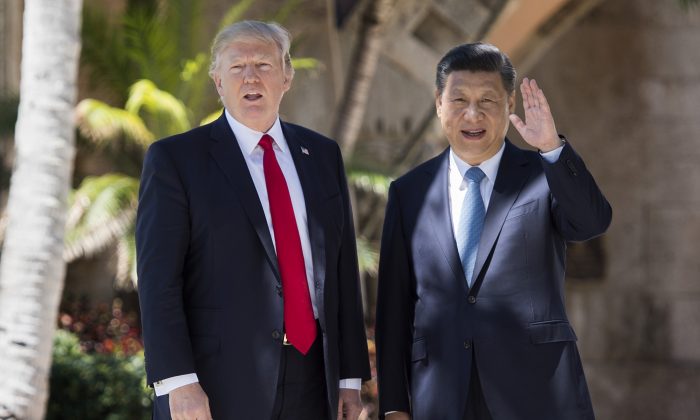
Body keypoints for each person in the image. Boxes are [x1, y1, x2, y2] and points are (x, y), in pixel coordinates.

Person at [136, 20, 370, 420]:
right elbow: (159, 282)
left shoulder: (322, 155)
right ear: (218, 81)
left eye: (263, 64)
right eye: (236, 67)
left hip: (315, 380)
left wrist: (348, 379)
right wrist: (178, 382)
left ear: (286, 77)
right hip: (216, 383)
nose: (250, 77)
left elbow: (342, 270)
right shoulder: (176, 160)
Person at [374, 42, 612, 420]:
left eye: (487, 100)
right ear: (438, 102)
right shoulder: (408, 192)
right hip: (440, 395)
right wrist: (393, 407)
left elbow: (591, 223)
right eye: (459, 100)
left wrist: (551, 148)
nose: (473, 114)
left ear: (510, 103)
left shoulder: (543, 176)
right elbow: (394, 308)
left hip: (537, 393)